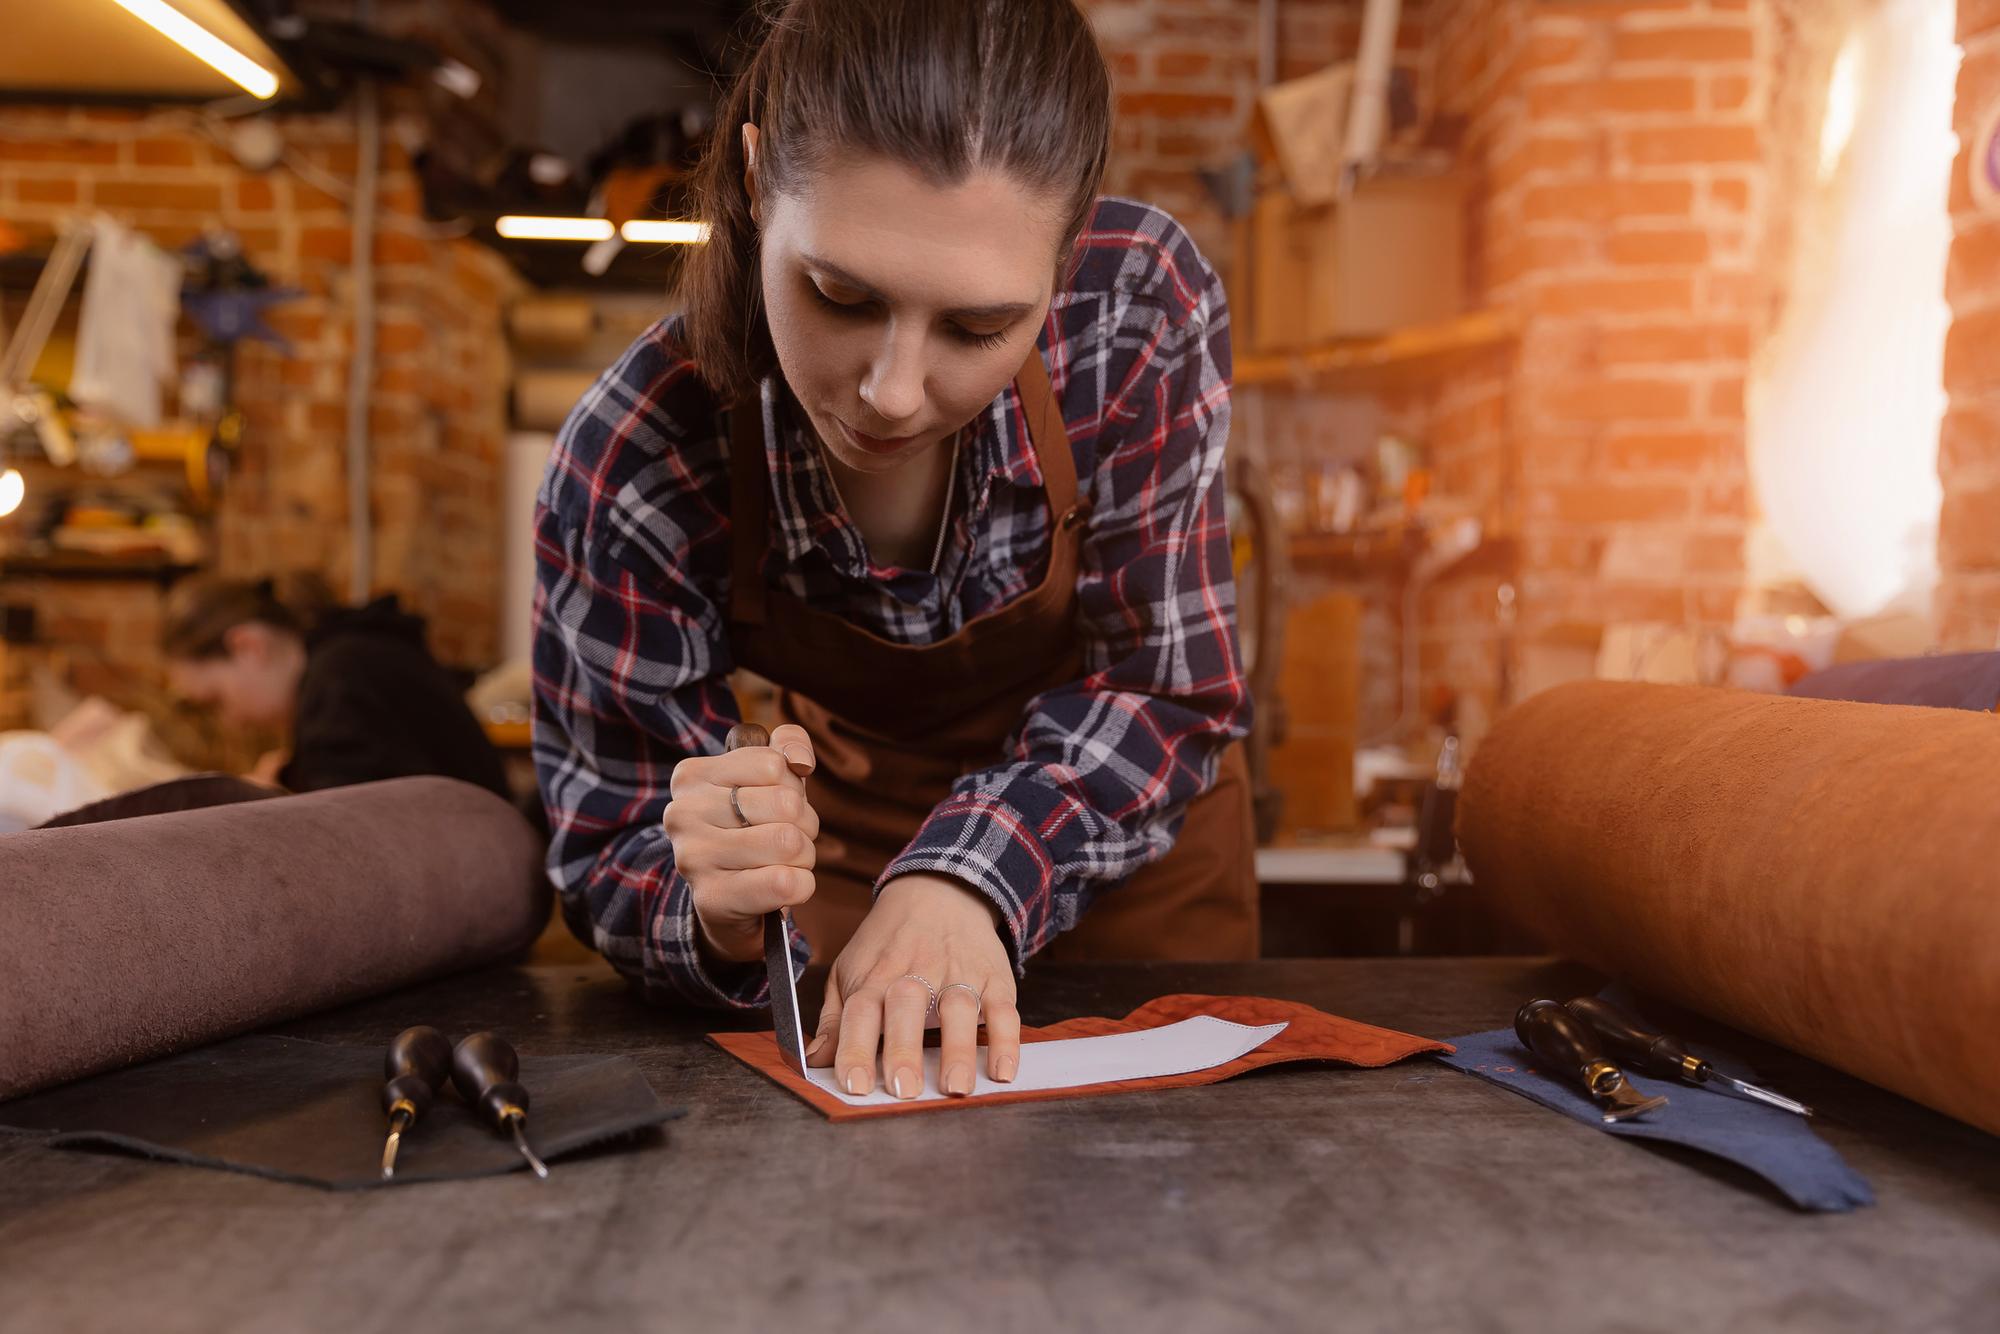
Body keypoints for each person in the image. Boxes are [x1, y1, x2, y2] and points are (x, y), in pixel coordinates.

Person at [533, 0, 1255, 1102]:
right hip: (847, 874)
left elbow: (1162, 690)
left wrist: (970, 874)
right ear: (755, 180)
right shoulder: (632, 456)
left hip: (1128, 872)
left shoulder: (1138, 304)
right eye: (840, 295)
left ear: (1059, 266)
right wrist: (711, 904)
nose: (893, 391)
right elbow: (610, 840)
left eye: (976, 329)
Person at [163, 573, 509, 799]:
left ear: (249, 647)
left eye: (215, 701)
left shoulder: (339, 684)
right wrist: (291, 775)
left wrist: (266, 800)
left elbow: (345, 840)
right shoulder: (350, 657)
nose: (230, 722)